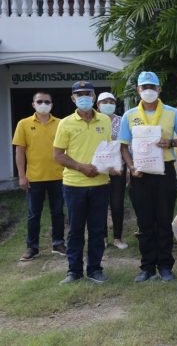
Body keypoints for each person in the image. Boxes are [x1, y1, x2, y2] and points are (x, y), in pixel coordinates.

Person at [119, 71, 177, 282]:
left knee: (164, 220)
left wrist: (171, 143)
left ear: (159, 89)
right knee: (145, 222)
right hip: (140, 173)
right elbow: (123, 146)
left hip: (164, 170)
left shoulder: (172, 113)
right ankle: (147, 267)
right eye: (144, 87)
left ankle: (165, 266)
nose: (148, 91)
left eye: (152, 87)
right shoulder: (129, 115)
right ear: (138, 90)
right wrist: (130, 167)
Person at [53, 81, 112, 284]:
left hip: (100, 184)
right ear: (73, 99)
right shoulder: (65, 123)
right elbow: (58, 155)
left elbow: (109, 149)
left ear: (94, 97)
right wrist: (81, 167)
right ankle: (74, 271)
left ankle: (95, 269)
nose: (84, 97)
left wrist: (111, 166)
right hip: (74, 185)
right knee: (76, 230)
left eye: (87, 93)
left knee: (97, 230)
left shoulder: (105, 120)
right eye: (79, 95)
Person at [12, 91, 66, 261]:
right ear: (33, 104)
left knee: (58, 212)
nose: (43, 104)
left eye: (47, 101)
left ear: (52, 104)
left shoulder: (61, 123)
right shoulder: (24, 124)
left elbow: (68, 149)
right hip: (34, 178)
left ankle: (58, 243)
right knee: (34, 214)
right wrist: (21, 176)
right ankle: (32, 247)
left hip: (59, 176)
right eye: (40, 101)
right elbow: (19, 151)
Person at [96, 92, 128, 250]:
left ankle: (117, 237)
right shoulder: (93, 121)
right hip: (98, 169)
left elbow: (125, 145)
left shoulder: (122, 121)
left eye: (111, 101)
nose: (108, 104)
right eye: (104, 101)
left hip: (118, 168)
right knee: (100, 204)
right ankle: (102, 237)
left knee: (117, 203)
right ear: (98, 105)